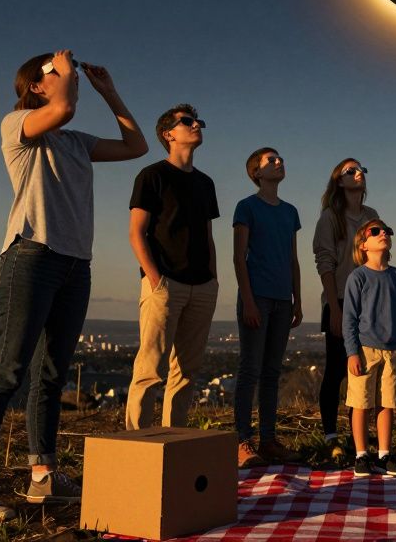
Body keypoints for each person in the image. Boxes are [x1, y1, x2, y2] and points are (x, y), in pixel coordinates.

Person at [0, 50, 148, 524]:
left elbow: (137, 146)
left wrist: (108, 91)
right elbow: (61, 108)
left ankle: (43, 476)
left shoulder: (76, 142)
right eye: (58, 76)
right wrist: (59, 66)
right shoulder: (17, 124)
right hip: (31, 255)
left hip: (74, 264)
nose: (70, 80)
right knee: (8, 369)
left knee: (51, 375)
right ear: (37, 85)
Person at [124, 104, 220, 430]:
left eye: (198, 120)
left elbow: (207, 236)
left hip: (202, 285)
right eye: (188, 122)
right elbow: (137, 233)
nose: (197, 125)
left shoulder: (206, 183)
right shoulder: (152, 176)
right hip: (165, 283)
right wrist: (155, 279)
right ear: (169, 134)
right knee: (151, 369)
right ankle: (136, 446)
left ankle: (173, 441)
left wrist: (214, 279)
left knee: (187, 371)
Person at [232, 147, 302, 467]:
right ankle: (241, 442)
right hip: (257, 296)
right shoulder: (246, 207)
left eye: (280, 159)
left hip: (282, 299)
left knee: (272, 371)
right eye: (271, 160)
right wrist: (247, 299)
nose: (279, 162)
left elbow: (293, 259)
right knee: (251, 369)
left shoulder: (290, 212)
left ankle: (269, 440)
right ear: (256, 173)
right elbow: (238, 256)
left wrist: (297, 299)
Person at [312, 159, 379, 445]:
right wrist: (334, 308)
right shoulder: (330, 217)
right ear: (339, 182)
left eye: (361, 169)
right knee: (337, 369)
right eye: (350, 171)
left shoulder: (372, 215)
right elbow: (324, 263)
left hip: (368, 303)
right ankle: (330, 435)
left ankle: (357, 435)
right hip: (339, 300)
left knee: (362, 371)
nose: (358, 173)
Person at [342, 219, 396, 477]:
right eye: (375, 231)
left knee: (387, 403)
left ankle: (384, 455)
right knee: (361, 403)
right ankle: (361, 454)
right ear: (363, 245)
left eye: (387, 230)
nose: (383, 233)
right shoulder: (357, 277)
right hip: (364, 350)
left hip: (393, 350)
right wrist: (352, 352)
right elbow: (349, 318)